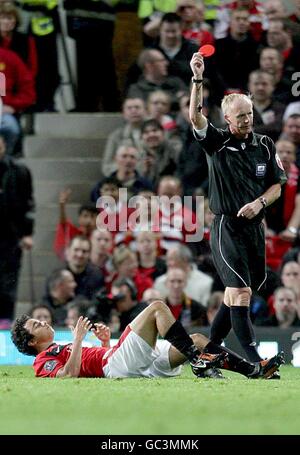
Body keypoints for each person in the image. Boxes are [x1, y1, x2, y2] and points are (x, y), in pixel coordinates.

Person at [189, 51, 287, 369]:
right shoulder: (217, 143)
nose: (246, 119)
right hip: (226, 227)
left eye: (249, 113)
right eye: (240, 116)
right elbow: (194, 118)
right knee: (240, 292)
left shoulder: (265, 145)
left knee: (234, 297)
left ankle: (207, 353)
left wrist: (259, 203)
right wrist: (197, 78)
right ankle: (255, 361)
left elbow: (277, 186)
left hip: (254, 228)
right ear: (227, 120)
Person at [11, 299, 284, 379]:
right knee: (156, 307)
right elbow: (68, 377)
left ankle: (253, 370)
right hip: (117, 365)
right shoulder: (43, 360)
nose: (44, 322)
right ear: (32, 341)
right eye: (37, 324)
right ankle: (199, 362)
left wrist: (104, 343)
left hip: (118, 358)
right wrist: (80, 340)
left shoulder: (60, 348)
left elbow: (87, 366)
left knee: (198, 339)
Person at [0, 135, 34, 329]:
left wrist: (27, 233)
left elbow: (29, 204)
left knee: (7, 282)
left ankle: (4, 324)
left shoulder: (19, 171)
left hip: (10, 236)